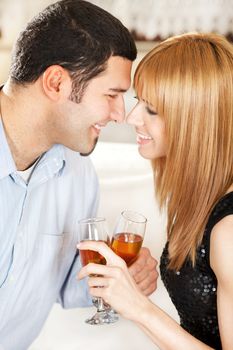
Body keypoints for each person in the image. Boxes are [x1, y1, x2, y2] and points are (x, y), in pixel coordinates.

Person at [0, 1, 158, 349]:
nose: (120, 114)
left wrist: (119, 280)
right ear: (56, 83)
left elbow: (71, 287)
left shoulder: (78, 175)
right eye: (112, 95)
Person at [78, 32, 233, 349]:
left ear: (194, 120)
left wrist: (139, 307)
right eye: (139, 102)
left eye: (151, 108)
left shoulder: (228, 230)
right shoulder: (201, 200)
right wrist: (131, 303)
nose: (131, 117)